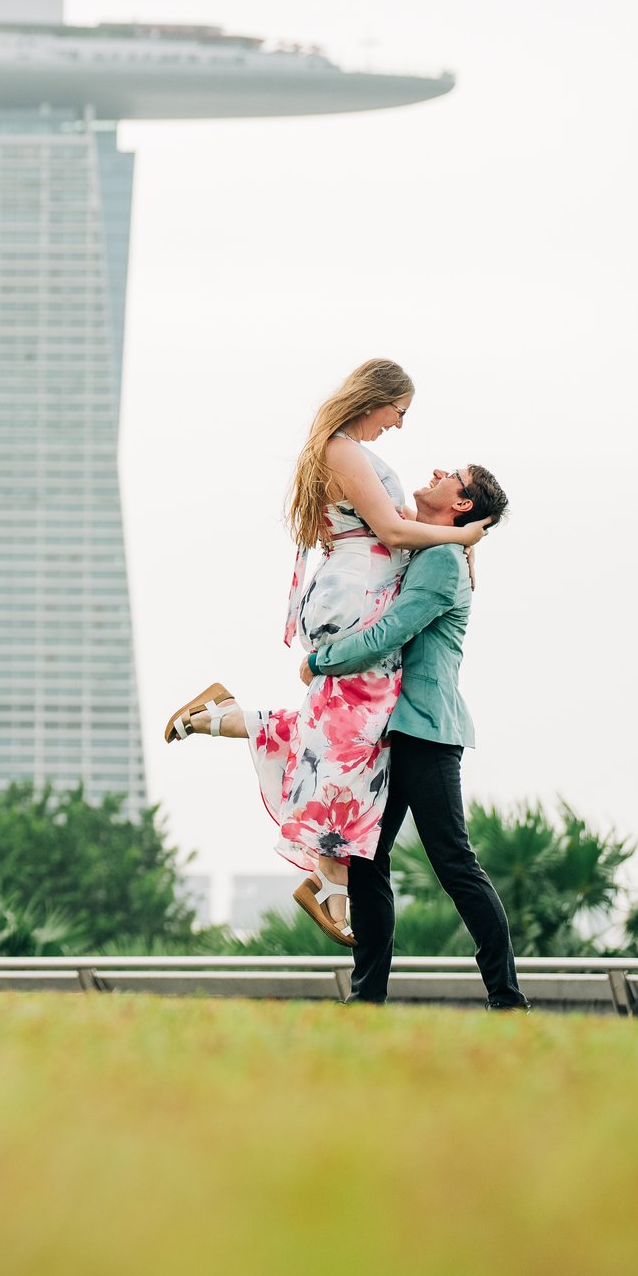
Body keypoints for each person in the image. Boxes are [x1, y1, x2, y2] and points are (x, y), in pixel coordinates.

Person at [160, 358, 482, 946]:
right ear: (377, 398)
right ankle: (332, 882)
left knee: (330, 731)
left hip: (357, 594)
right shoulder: (342, 450)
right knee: (351, 739)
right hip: (355, 600)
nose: (400, 426)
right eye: (399, 412)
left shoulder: (349, 452)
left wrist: (453, 543)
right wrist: (461, 536)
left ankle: (216, 719)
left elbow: (402, 528)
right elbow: (392, 533)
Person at [303, 462, 524, 1009]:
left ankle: (506, 997)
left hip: (424, 728)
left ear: (463, 504)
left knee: (453, 861)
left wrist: (321, 659)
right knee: (368, 860)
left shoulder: (444, 561)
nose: (436, 471)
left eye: (452, 474)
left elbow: (390, 632)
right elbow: (385, 518)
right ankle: (367, 1000)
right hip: (391, 728)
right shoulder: (436, 546)